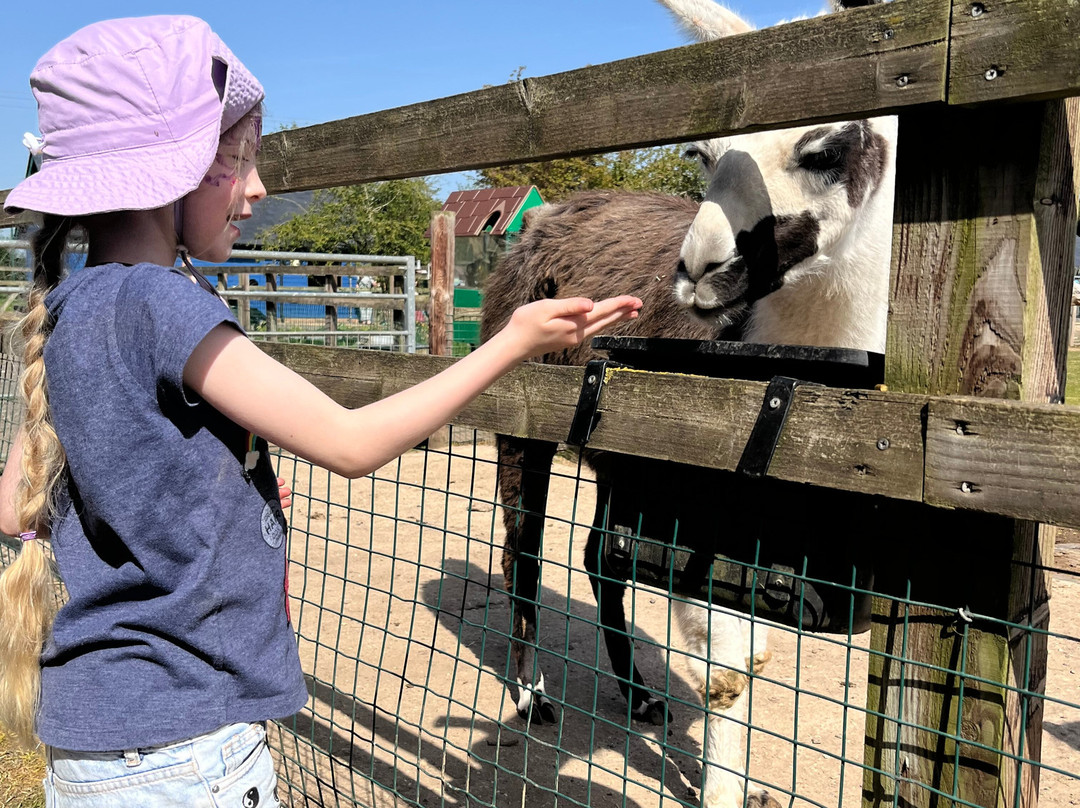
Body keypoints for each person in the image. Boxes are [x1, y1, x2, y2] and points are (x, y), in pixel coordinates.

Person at [0, 16, 641, 807]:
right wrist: (508, 343)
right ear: (172, 172)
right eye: (235, 162)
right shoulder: (162, 305)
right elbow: (347, 441)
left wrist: (218, 496)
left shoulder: (62, 311)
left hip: (91, 740)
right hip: (189, 750)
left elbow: (14, 506)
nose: (258, 189)